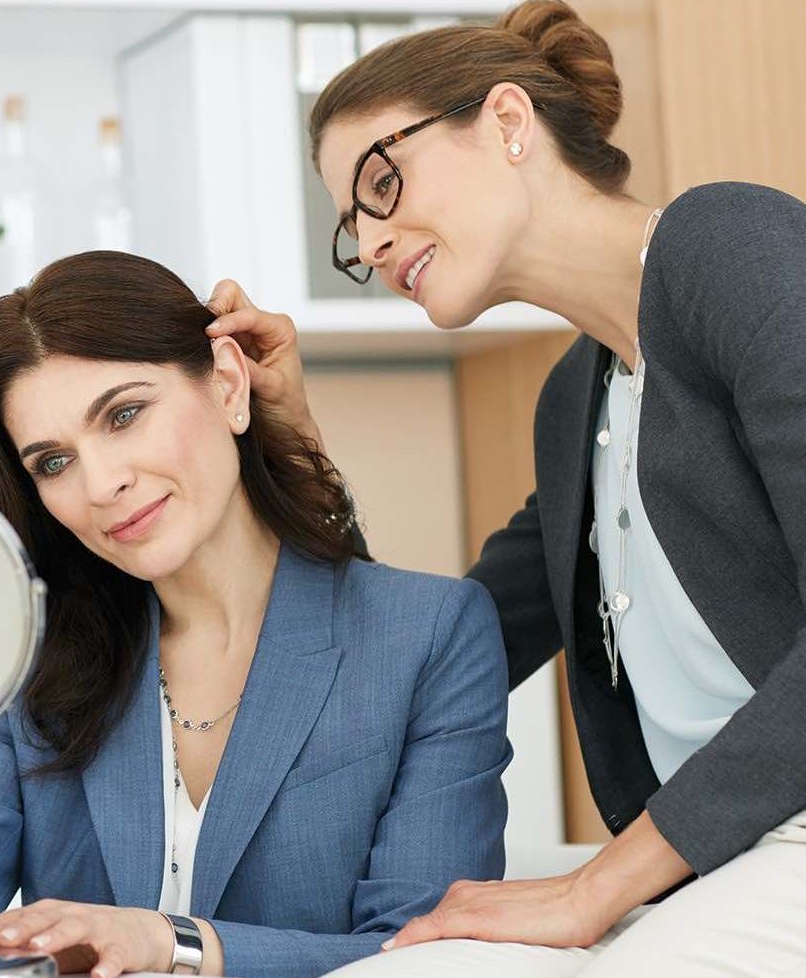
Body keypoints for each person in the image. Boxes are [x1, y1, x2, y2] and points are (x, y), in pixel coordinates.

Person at [203, 2, 806, 974]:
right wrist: (289, 437)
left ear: (508, 123)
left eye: (380, 181)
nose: (370, 240)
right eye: (350, 226)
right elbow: (427, 651)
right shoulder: (575, 400)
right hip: (725, 861)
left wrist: (594, 890)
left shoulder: (728, 247)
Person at [0, 250, 512, 978]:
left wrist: (174, 944)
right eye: (53, 463)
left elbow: (434, 954)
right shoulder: (31, 665)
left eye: (124, 415)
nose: (102, 483)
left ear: (226, 383)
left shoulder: (429, 634)